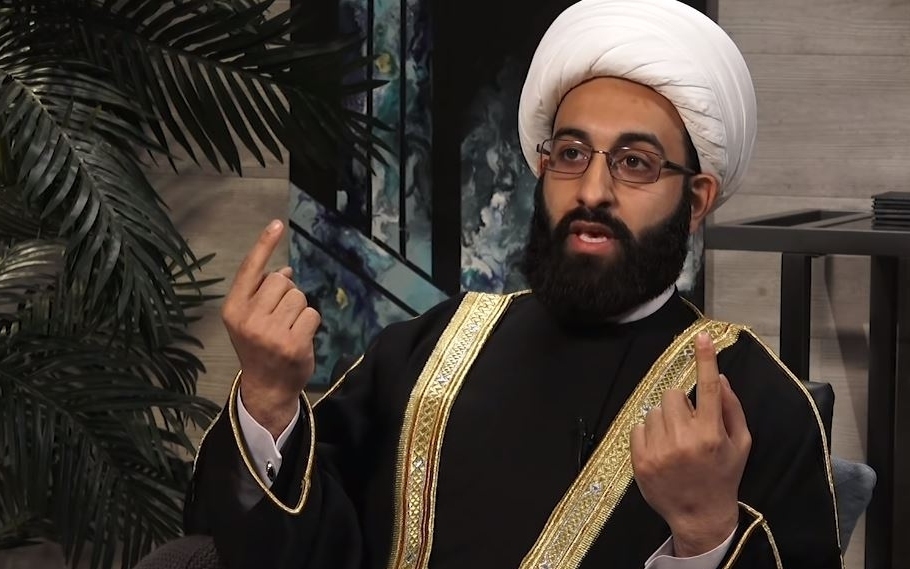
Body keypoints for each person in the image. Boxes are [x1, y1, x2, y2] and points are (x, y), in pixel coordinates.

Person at [184, 0, 843, 568]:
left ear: (696, 199)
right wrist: (268, 401)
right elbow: (297, 548)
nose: (592, 190)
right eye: (571, 154)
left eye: (635, 163)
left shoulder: (755, 403)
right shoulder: (431, 347)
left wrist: (704, 533)